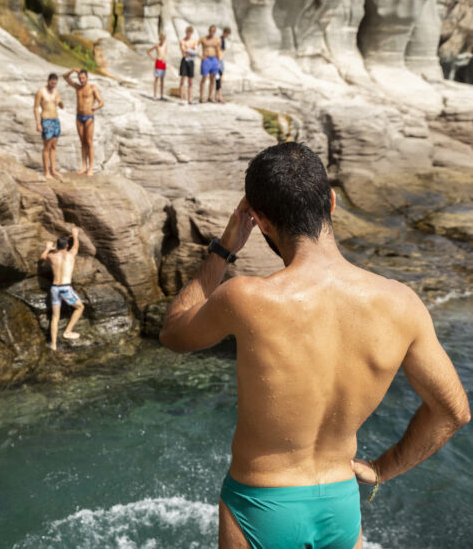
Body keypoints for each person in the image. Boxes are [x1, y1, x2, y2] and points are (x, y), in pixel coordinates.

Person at [160, 142, 470, 549]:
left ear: (262, 222)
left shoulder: (246, 298)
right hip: (340, 504)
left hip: (260, 504)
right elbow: (453, 411)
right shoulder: (402, 304)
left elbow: (173, 334)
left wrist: (224, 248)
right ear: (332, 202)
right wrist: (381, 469)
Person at [40, 227, 85, 350]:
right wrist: (75, 235)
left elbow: (42, 257)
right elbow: (76, 246)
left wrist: (48, 248)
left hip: (54, 288)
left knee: (55, 317)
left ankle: (53, 345)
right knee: (80, 307)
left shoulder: (51, 256)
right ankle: (67, 332)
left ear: (57, 246)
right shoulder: (70, 254)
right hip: (65, 288)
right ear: (66, 246)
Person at [63, 68, 103, 177]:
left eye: (83, 78)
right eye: (80, 78)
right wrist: (72, 70)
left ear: (87, 77)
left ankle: (91, 168)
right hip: (79, 117)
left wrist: (95, 107)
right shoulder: (77, 87)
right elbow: (65, 77)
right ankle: (84, 166)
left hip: (89, 117)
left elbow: (101, 102)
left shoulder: (92, 88)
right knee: (82, 142)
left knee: (89, 142)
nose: (82, 80)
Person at [34, 73, 64, 180]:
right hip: (46, 120)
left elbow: (62, 106)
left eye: (55, 83)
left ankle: (53, 170)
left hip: (55, 120)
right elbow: (36, 108)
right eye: (52, 82)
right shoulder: (41, 92)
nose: (53, 85)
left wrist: (59, 102)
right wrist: (38, 123)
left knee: (54, 147)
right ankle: (46, 171)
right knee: (46, 147)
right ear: (48, 80)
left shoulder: (56, 92)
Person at [198, 25, 222, 103]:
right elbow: (195, 46)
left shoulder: (217, 40)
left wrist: (219, 61)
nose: (211, 32)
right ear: (208, 30)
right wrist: (199, 56)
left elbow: (218, 50)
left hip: (214, 59)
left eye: (213, 31)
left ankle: (210, 96)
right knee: (204, 78)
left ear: (214, 31)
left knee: (212, 78)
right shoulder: (203, 39)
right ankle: (202, 97)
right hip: (206, 59)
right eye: (210, 30)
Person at [178, 26, 197, 105]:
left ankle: (190, 99)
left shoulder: (193, 41)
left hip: (191, 61)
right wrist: (190, 49)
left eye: (190, 32)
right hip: (185, 60)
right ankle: (182, 99)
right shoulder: (182, 41)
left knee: (190, 81)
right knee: (182, 80)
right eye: (187, 32)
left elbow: (195, 51)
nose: (188, 33)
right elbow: (183, 50)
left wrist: (188, 49)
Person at [146, 33, 167, 100]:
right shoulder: (157, 45)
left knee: (162, 79)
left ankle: (161, 95)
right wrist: (153, 58)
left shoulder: (165, 45)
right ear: (160, 39)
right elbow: (148, 51)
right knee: (156, 79)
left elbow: (165, 53)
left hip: (163, 62)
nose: (162, 40)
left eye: (163, 39)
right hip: (158, 61)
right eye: (161, 39)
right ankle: (154, 95)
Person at [216, 27, 231, 104]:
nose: (227, 35)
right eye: (226, 33)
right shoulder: (220, 40)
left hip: (220, 60)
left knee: (220, 78)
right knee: (218, 78)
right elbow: (218, 51)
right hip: (218, 60)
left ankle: (218, 96)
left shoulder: (223, 40)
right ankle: (219, 96)